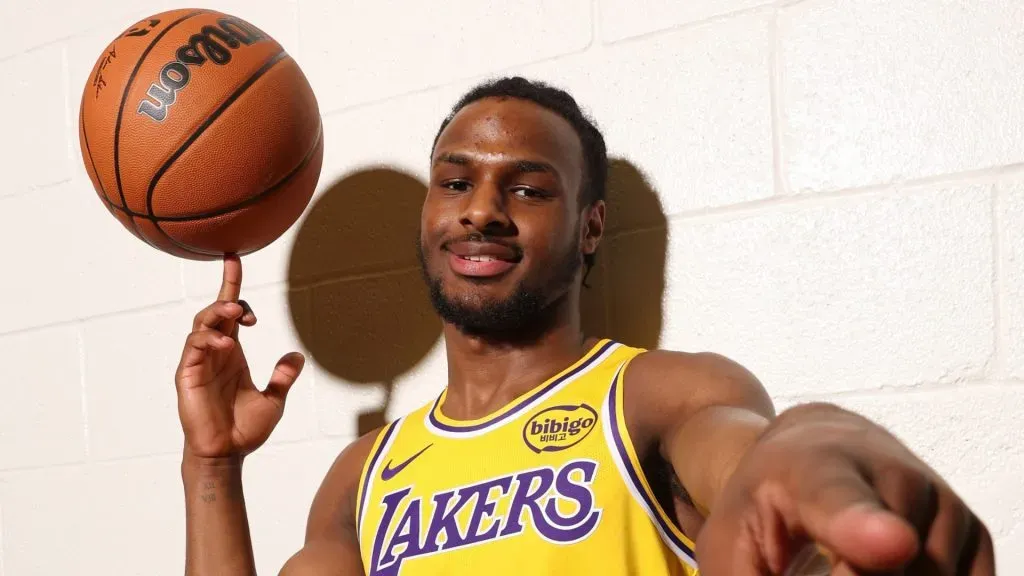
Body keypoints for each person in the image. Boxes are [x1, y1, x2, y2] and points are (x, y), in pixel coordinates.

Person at [174, 77, 996, 575]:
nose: (483, 213)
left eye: (528, 190)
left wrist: (814, 446)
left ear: (591, 227)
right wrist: (211, 466)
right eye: (455, 183)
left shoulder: (658, 396)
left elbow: (755, 464)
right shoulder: (365, 475)